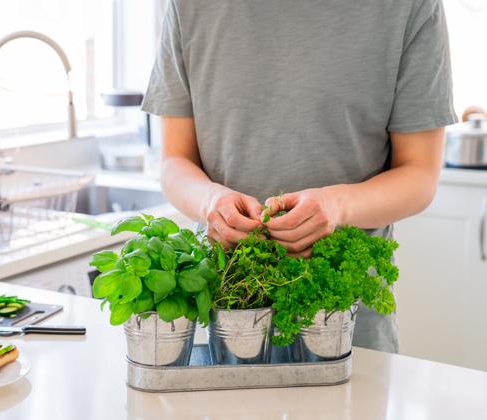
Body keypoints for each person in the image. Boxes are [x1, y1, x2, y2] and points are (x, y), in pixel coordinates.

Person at [141, 0, 457, 352]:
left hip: (344, 319)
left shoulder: (410, 7)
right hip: (224, 311)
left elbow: (419, 173)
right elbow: (174, 159)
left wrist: (336, 206)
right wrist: (210, 202)